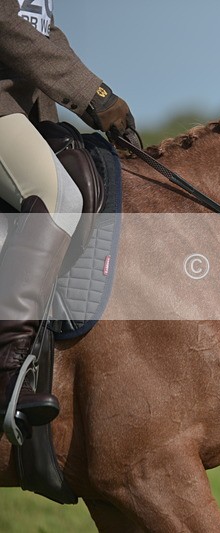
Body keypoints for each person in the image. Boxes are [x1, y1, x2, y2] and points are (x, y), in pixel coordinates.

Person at [0, 0, 135, 430]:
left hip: (24, 110)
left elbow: (42, 31)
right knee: (56, 196)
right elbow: (7, 25)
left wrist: (100, 96)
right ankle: (8, 371)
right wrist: (93, 95)